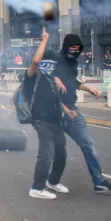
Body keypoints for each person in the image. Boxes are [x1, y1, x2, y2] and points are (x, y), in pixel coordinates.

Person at [51, 34, 111, 193]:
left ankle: (99, 182)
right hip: (55, 111)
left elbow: (72, 82)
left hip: (72, 110)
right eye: (72, 48)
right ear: (65, 46)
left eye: (78, 49)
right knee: (56, 150)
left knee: (88, 145)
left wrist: (89, 89)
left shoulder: (72, 63)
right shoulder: (56, 60)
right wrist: (55, 79)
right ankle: (48, 181)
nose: (75, 51)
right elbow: (46, 81)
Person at [22, 28, 68, 200]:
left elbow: (55, 100)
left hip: (55, 120)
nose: (49, 67)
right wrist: (44, 41)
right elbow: (34, 62)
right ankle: (37, 187)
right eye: (46, 63)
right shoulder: (31, 77)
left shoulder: (51, 80)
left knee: (61, 153)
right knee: (46, 153)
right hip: (40, 120)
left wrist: (67, 111)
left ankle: (53, 181)